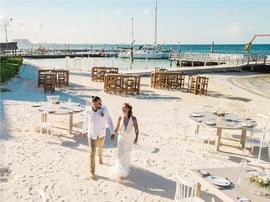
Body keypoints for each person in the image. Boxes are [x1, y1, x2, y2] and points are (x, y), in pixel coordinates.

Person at [82, 96, 115, 180]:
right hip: (91, 135)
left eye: (101, 103)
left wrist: (112, 132)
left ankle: (100, 157)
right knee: (92, 152)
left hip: (101, 134)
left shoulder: (104, 110)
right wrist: (83, 131)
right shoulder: (88, 111)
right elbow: (85, 121)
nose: (100, 104)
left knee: (100, 148)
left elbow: (109, 120)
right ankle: (92, 171)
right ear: (93, 104)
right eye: (98, 103)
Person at [111, 103, 139, 180]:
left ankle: (125, 168)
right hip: (121, 138)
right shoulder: (120, 117)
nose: (123, 109)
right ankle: (120, 171)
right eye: (122, 108)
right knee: (120, 154)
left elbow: (136, 129)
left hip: (130, 139)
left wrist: (136, 138)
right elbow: (116, 128)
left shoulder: (134, 119)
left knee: (126, 154)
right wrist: (113, 134)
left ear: (129, 109)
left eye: (125, 108)